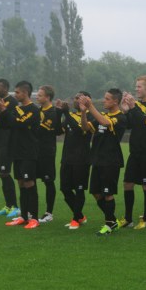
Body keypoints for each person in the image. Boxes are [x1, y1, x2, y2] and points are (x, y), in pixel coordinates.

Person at [79, 89, 127, 235]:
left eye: (107, 99)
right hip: (98, 160)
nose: (104, 101)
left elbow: (105, 123)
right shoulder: (102, 115)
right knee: (95, 193)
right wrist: (83, 112)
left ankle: (109, 224)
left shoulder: (120, 117)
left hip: (110, 161)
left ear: (115, 102)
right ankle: (112, 220)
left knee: (107, 193)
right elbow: (86, 127)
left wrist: (90, 106)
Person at [119, 75, 146, 230]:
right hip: (135, 151)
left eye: (139, 86)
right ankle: (128, 218)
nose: (136, 89)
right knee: (127, 183)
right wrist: (126, 112)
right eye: (136, 86)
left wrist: (133, 108)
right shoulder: (136, 105)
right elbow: (131, 125)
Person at [0, 81, 41, 229]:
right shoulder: (16, 109)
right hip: (17, 152)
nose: (15, 95)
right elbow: (4, 125)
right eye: (15, 92)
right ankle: (23, 215)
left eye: (18, 93)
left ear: (25, 93)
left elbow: (19, 123)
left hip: (29, 152)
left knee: (29, 183)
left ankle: (34, 218)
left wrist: (6, 111)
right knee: (21, 183)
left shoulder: (34, 110)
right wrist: (1, 111)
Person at [57, 92, 92, 229]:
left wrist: (66, 113)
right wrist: (59, 112)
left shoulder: (89, 116)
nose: (75, 100)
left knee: (79, 190)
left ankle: (76, 219)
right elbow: (57, 130)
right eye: (75, 98)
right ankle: (80, 216)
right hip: (67, 158)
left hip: (81, 159)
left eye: (79, 98)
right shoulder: (70, 115)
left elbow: (80, 131)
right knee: (65, 189)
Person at [0, 79, 20, 217]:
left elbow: (12, 123)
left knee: (5, 173)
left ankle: (14, 206)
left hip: (7, 143)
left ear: (5, 88)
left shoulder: (13, 103)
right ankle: (8, 205)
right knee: (1, 174)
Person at [35, 85, 62, 224]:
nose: (37, 97)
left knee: (48, 181)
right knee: (30, 179)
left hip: (47, 152)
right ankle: (30, 211)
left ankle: (49, 212)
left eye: (40, 95)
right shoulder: (38, 110)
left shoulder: (52, 112)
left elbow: (39, 131)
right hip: (35, 151)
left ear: (47, 97)